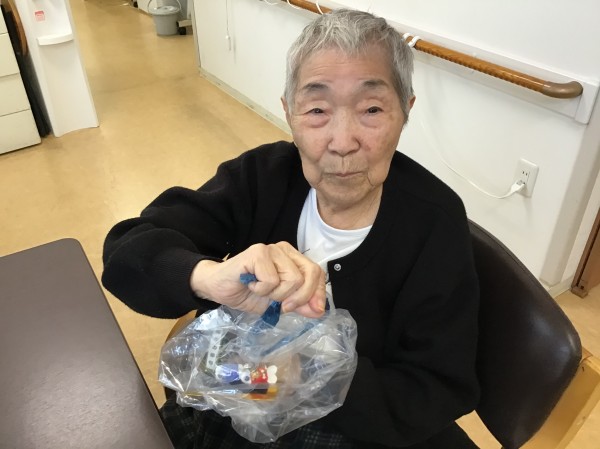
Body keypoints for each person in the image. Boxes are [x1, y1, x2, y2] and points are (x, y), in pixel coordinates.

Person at [102, 8, 480, 449]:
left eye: (372, 109)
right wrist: (209, 277)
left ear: (405, 111)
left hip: (354, 430)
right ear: (289, 112)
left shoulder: (434, 224)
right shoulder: (263, 177)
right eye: (317, 110)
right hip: (241, 391)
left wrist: (311, 374)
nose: (342, 143)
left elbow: (439, 387)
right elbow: (127, 249)